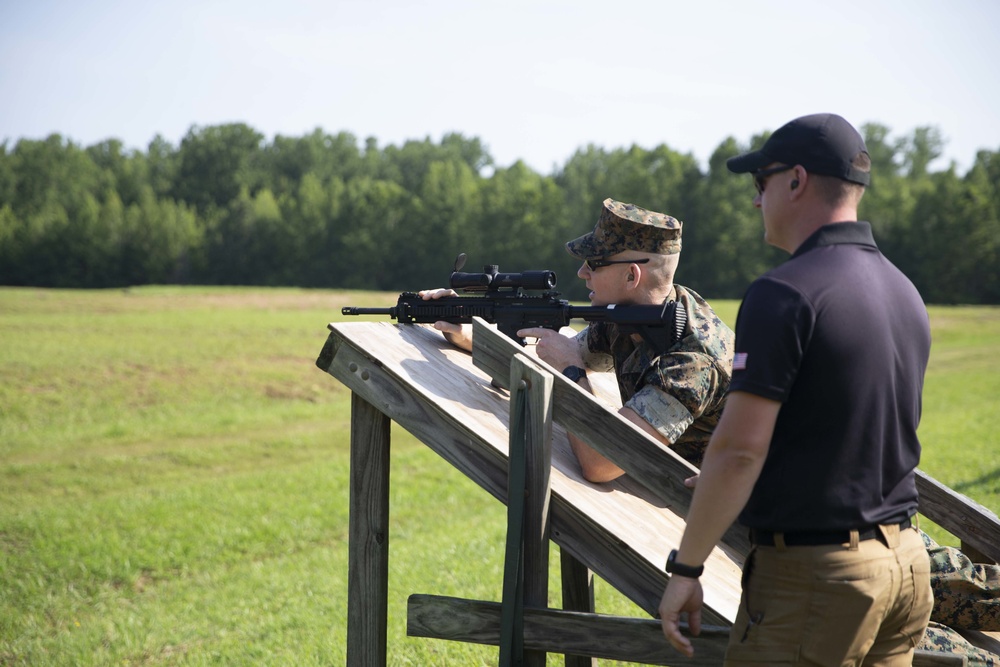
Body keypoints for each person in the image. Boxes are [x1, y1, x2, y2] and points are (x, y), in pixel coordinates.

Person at [657, 113, 934, 665]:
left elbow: (738, 451)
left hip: (819, 579)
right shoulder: (903, 290)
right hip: (906, 564)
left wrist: (686, 569)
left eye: (760, 183)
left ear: (795, 181)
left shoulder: (782, 293)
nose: (756, 200)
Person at [421, 198, 734, 482]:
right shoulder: (636, 314)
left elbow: (601, 464)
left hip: (728, 527)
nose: (583, 272)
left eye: (594, 263)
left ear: (631, 276)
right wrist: (467, 332)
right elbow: (554, 352)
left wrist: (571, 373)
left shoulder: (693, 361)